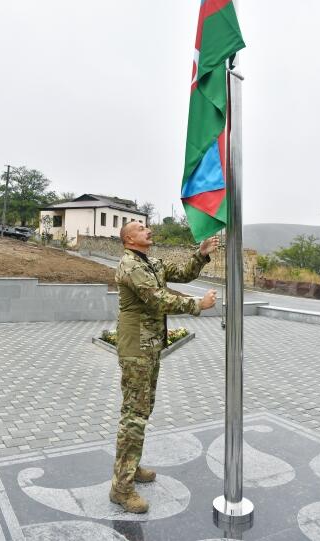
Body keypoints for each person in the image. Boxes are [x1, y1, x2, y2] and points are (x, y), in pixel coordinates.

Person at [109, 220, 218, 514]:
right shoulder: (129, 265)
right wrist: (198, 304)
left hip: (149, 347)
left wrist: (201, 253)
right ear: (129, 239)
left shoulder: (150, 261)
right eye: (141, 229)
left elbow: (181, 273)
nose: (148, 230)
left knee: (141, 410)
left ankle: (130, 465)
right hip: (136, 350)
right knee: (134, 415)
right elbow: (157, 300)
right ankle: (122, 488)